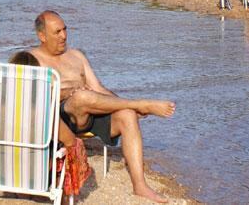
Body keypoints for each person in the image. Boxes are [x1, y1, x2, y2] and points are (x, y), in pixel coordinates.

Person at [29, 11, 175, 203]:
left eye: (65, 29)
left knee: (127, 114)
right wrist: (64, 93)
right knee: (81, 96)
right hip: (59, 122)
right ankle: (141, 104)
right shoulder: (31, 60)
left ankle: (140, 186)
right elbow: (30, 103)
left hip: (88, 114)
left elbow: (98, 89)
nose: (64, 36)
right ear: (42, 36)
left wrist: (121, 104)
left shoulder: (76, 56)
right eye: (57, 32)